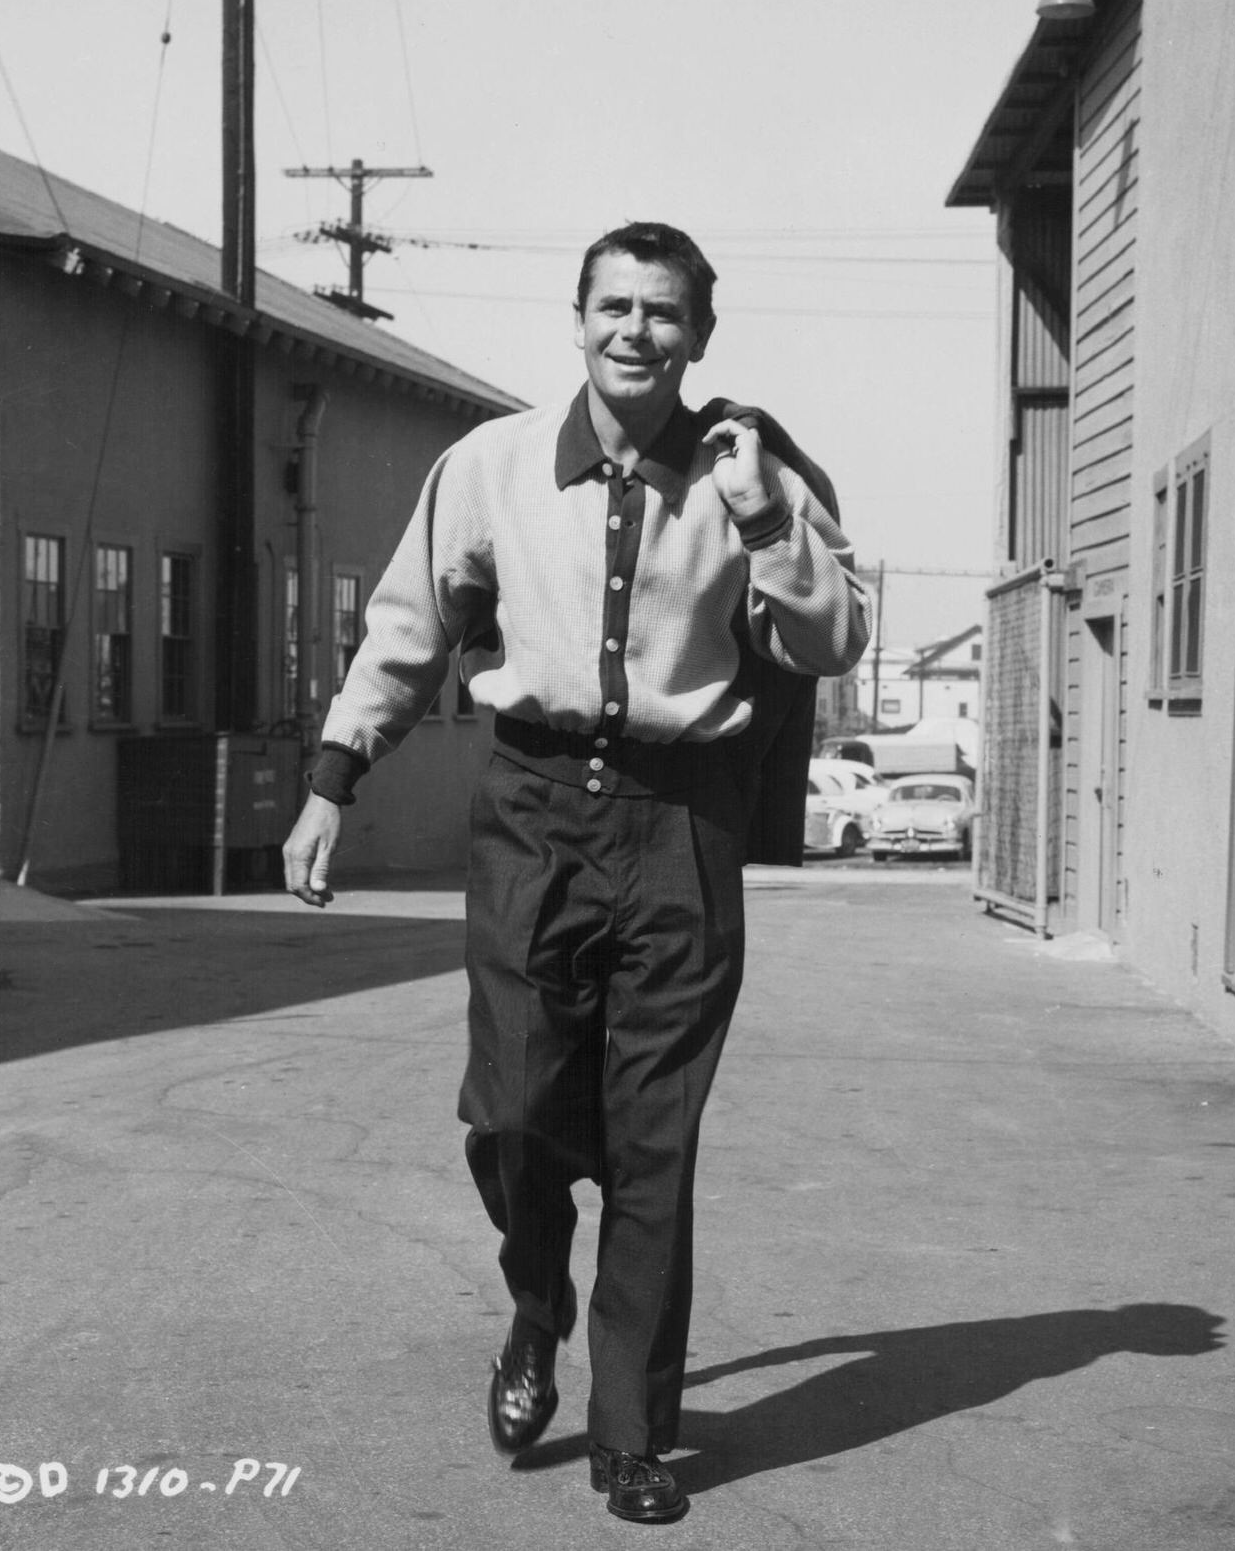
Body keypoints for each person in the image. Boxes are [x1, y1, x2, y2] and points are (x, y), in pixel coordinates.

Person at [282, 221, 871, 1524]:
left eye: (663, 313)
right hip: (533, 812)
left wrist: (771, 518)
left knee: (656, 1140)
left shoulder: (746, 477)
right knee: (515, 1108)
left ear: (699, 337)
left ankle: (632, 1432)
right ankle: (535, 1312)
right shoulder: (488, 466)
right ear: (579, 319)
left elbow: (833, 637)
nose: (635, 332)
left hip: (684, 824)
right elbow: (406, 624)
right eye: (614, 305)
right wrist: (334, 778)